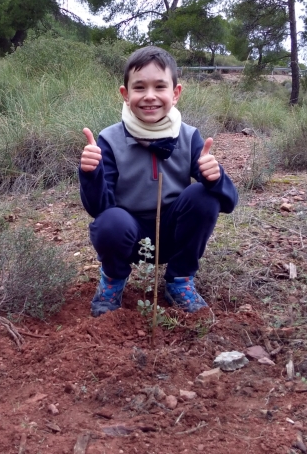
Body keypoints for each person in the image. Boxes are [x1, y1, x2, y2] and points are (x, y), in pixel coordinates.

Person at [79, 45, 238, 317]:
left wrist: (216, 177)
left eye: (160, 86)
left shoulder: (189, 137)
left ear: (175, 93)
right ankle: (112, 282)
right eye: (139, 87)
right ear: (125, 94)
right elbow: (98, 209)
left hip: (174, 235)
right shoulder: (109, 140)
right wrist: (91, 173)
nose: (150, 96)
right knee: (110, 222)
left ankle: (179, 281)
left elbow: (229, 202)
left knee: (203, 197)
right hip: (131, 238)